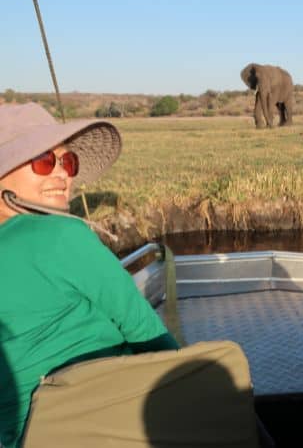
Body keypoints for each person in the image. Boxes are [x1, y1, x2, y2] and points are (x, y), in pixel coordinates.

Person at [0, 103, 179, 448]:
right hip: (100, 421)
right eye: (43, 161)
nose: (63, 174)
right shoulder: (61, 235)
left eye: (68, 162)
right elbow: (148, 334)